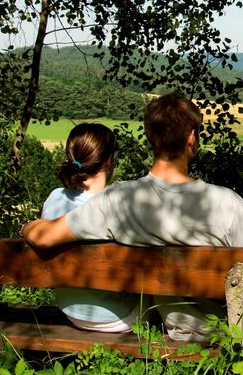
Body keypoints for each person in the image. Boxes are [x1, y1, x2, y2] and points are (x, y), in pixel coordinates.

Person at [21, 93, 243, 341]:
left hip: (180, 333)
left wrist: (27, 226)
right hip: (234, 334)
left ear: (151, 138)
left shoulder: (120, 200)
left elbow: (44, 236)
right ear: (191, 137)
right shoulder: (227, 203)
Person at [41, 123, 145, 333]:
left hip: (71, 312)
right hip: (120, 318)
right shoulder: (118, 206)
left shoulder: (54, 198)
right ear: (109, 160)